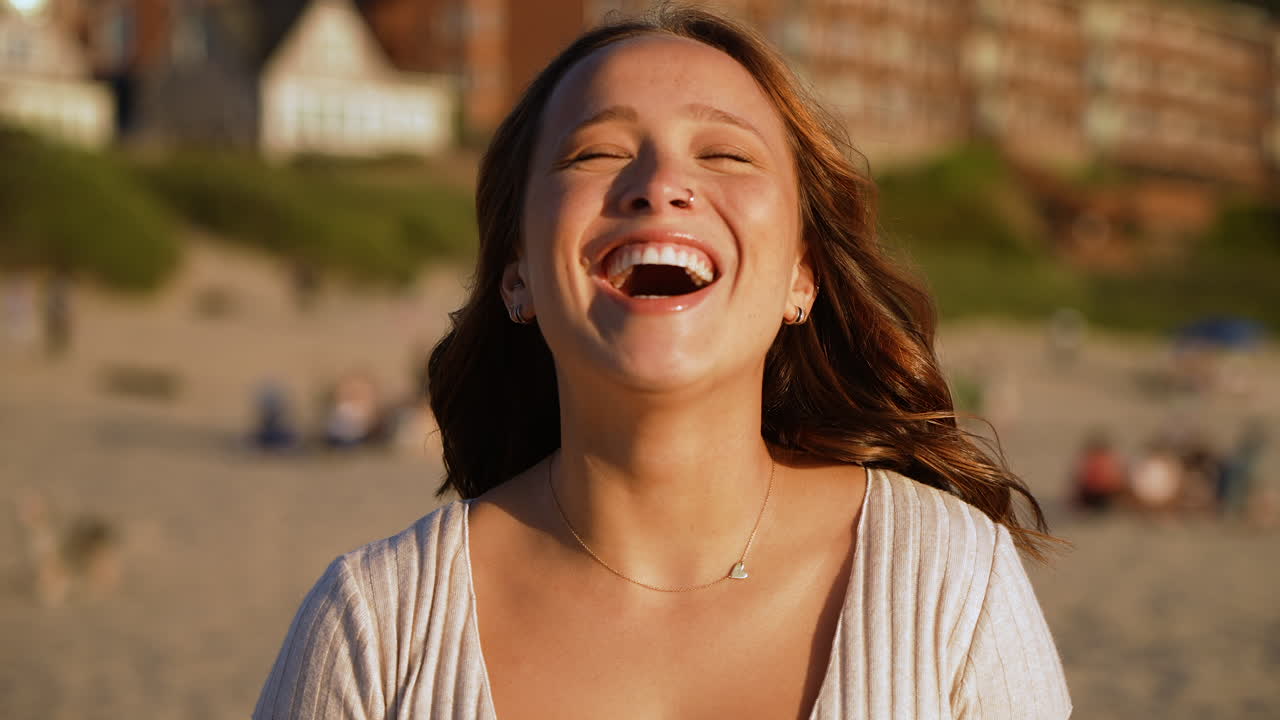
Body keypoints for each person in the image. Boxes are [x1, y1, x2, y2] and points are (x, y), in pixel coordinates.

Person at [254, 8, 1070, 719]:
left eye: (725, 155)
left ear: (802, 274)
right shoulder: (375, 623)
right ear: (518, 273)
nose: (661, 183)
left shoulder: (950, 582)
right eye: (596, 153)